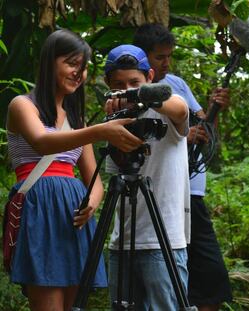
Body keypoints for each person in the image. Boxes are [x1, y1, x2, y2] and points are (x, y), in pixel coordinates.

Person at [5, 29, 142, 311]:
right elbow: (43, 142)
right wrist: (100, 130)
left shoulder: (75, 119)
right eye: (71, 63)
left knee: (75, 306)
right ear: (49, 63)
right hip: (40, 213)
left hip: (73, 218)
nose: (78, 73)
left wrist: (91, 203)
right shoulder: (22, 105)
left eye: (83, 68)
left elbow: (94, 180)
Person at [133, 23, 233, 311]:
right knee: (168, 276)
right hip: (164, 194)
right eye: (159, 57)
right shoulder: (130, 89)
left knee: (210, 276)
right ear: (143, 57)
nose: (166, 63)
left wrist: (214, 110)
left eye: (169, 56)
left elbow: (203, 128)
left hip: (193, 194)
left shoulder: (177, 84)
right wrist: (182, 134)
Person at [103, 44, 190, 310]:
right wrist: (113, 121)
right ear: (109, 85)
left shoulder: (167, 105)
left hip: (163, 240)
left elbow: (181, 109)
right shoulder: (115, 118)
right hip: (123, 240)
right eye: (119, 84)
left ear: (150, 77)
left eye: (134, 82)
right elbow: (116, 171)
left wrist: (143, 97)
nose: (127, 89)